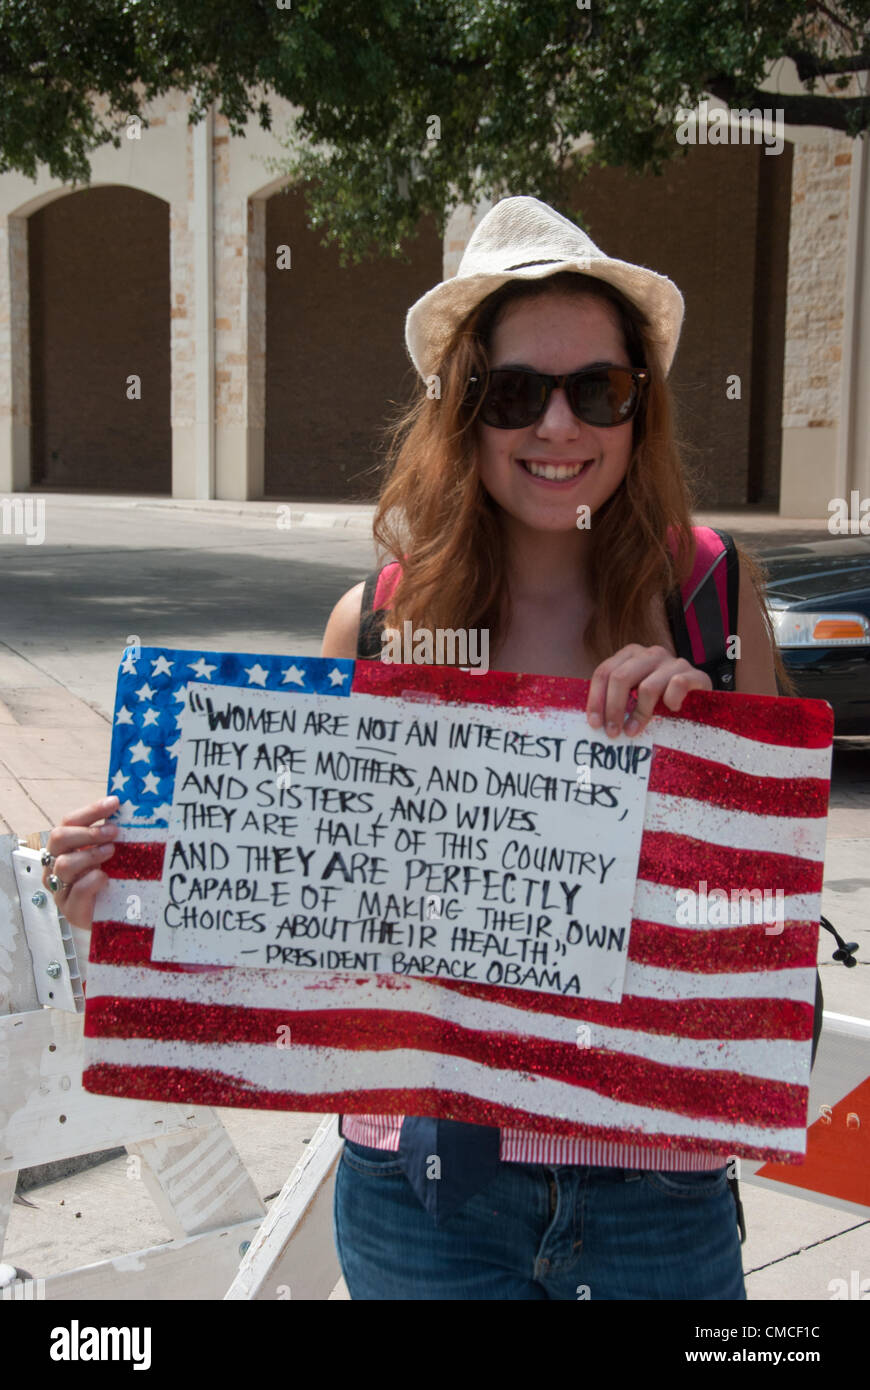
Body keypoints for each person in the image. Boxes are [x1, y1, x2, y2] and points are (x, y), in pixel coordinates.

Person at [43, 195, 795, 1301]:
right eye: (513, 393)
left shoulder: (711, 597)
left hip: (654, 1185)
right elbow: (303, 912)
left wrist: (706, 765)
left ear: (641, 408)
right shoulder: (382, 624)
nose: (558, 426)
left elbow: (759, 916)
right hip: (423, 1188)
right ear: (462, 409)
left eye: (598, 389)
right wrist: (130, 895)